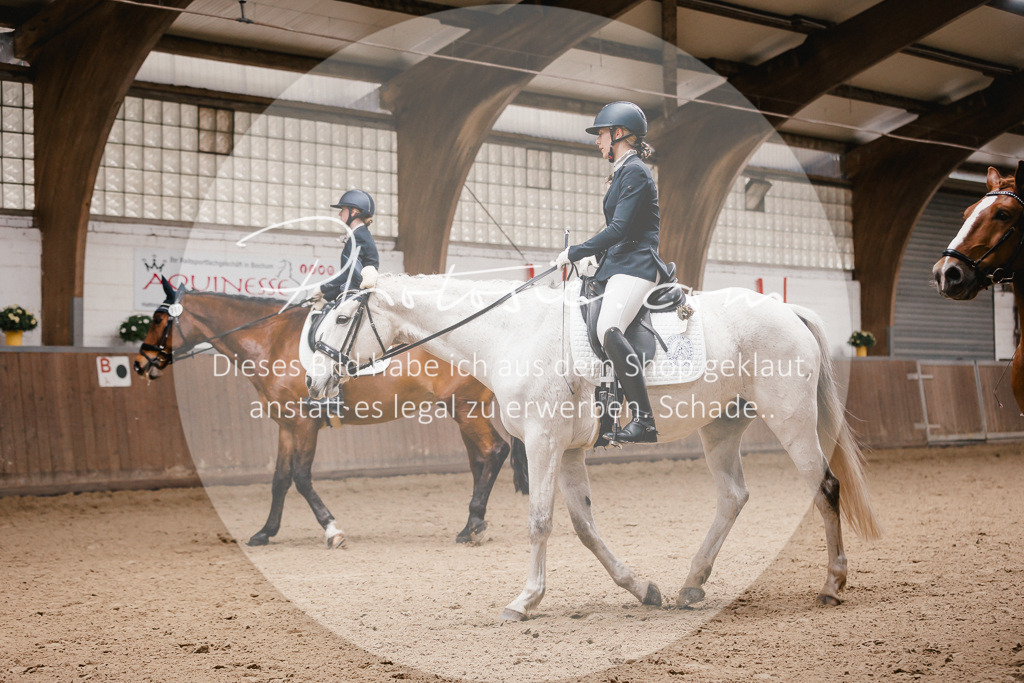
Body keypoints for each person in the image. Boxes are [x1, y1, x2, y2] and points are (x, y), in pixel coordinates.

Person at [552, 101, 670, 444]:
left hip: (637, 264)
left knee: (608, 327)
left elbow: (619, 230)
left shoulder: (634, 172)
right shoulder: (621, 171)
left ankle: (644, 420)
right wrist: (594, 260)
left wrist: (576, 252)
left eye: (601, 134)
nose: (597, 141)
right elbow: (619, 231)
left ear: (619, 134)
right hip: (619, 262)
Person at [319, 189, 380, 301]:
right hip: (354, 292)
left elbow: (349, 275)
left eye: (343, 210)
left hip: (357, 296)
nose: (339, 213)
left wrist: (322, 288)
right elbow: (349, 278)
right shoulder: (359, 234)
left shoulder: (358, 236)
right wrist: (326, 298)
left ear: (354, 212)